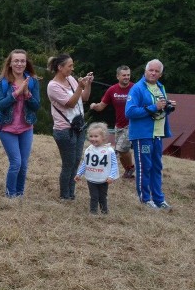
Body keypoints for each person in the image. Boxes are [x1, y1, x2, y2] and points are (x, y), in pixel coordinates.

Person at [125, 59, 175, 210]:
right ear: (145, 71)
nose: (153, 73)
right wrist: (154, 107)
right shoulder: (137, 88)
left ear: (161, 74)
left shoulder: (160, 87)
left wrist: (169, 107)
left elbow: (161, 109)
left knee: (156, 167)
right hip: (143, 135)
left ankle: (159, 199)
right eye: (150, 70)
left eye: (156, 71)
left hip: (158, 134)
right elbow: (130, 112)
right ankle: (145, 199)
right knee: (144, 167)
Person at [0, 49, 41, 197]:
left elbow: (36, 106)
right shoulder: (2, 83)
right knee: (16, 163)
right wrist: (17, 92)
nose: (19, 64)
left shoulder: (32, 82)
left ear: (26, 63)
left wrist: (27, 93)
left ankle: (20, 194)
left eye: (22, 61)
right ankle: (10, 194)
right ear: (10, 63)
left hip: (26, 127)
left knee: (24, 165)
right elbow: (0, 105)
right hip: (7, 128)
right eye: (16, 61)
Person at [47, 54, 93, 200]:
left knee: (76, 162)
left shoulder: (71, 79)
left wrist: (88, 84)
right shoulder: (53, 86)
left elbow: (84, 98)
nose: (72, 69)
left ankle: (71, 193)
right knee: (68, 163)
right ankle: (64, 196)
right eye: (70, 66)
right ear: (60, 68)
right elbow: (70, 103)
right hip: (64, 130)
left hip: (79, 127)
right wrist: (80, 87)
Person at [89, 65, 135, 178]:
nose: (126, 77)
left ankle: (131, 168)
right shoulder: (112, 90)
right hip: (118, 125)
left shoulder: (135, 88)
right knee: (122, 151)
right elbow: (101, 106)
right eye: (124, 75)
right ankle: (128, 170)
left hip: (132, 124)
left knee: (121, 148)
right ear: (118, 76)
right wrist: (94, 106)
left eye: (128, 75)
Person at [75, 122, 119, 215]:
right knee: (94, 196)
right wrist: (79, 173)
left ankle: (104, 212)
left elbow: (114, 164)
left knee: (102, 196)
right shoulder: (89, 149)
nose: (93, 139)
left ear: (103, 137)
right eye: (91, 136)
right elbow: (85, 163)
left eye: (96, 136)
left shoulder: (109, 150)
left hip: (104, 179)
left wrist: (111, 176)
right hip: (91, 178)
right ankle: (93, 212)